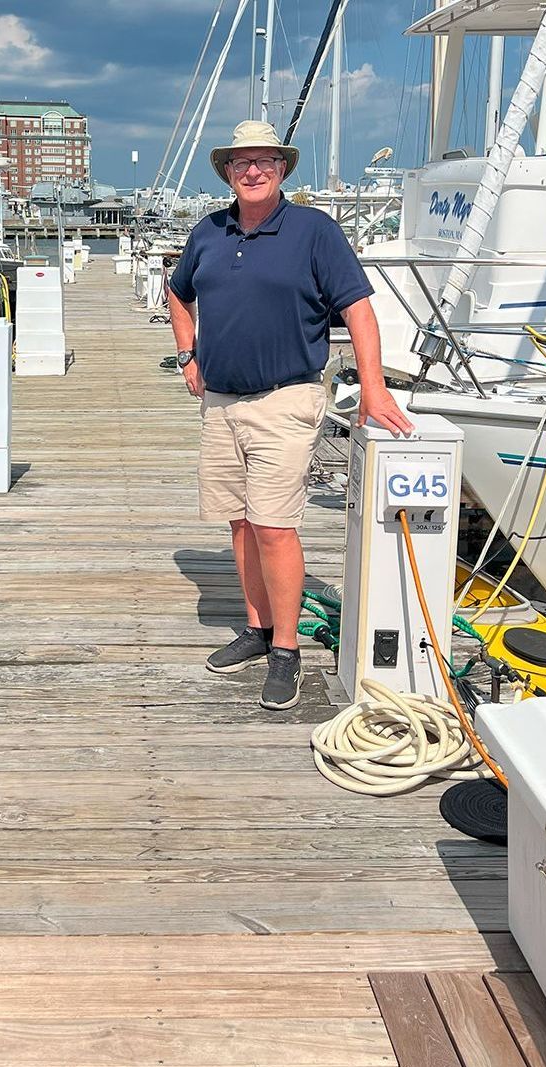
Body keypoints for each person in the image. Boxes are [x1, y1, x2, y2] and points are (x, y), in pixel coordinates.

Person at [168, 120, 412, 711]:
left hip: (287, 399)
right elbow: (178, 292)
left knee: (275, 526)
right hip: (221, 402)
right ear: (227, 171)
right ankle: (256, 629)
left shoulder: (314, 231)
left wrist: (374, 389)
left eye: (266, 162)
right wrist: (187, 354)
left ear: (282, 170)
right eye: (242, 163)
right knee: (240, 524)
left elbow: (358, 309)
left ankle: (286, 649)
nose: (253, 171)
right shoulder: (209, 231)